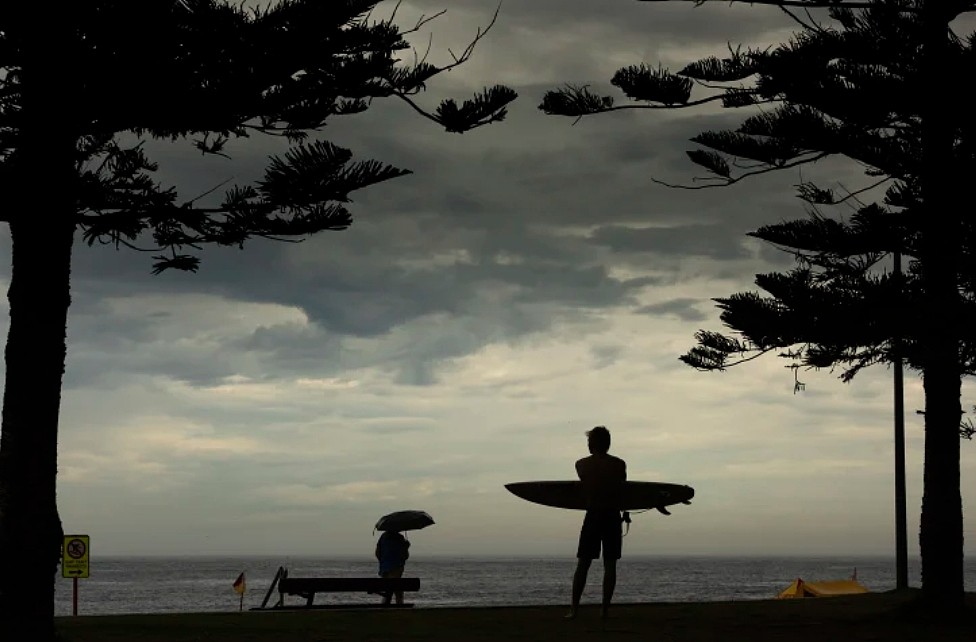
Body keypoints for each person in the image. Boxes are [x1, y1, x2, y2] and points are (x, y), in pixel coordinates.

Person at [567, 425, 627, 620]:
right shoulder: (619, 465)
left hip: (593, 515)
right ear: (608, 444)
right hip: (612, 516)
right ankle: (604, 611)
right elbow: (623, 493)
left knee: (583, 563)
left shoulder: (581, 465)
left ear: (592, 444)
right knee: (610, 565)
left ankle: (574, 610)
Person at [375, 530, 410, 605]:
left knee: (388, 590)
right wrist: (406, 547)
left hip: (384, 570)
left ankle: (385, 606)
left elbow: (377, 553)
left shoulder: (383, 537)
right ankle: (399, 606)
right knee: (398, 591)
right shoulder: (400, 538)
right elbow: (405, 556)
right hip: (396, 569)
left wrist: (383, 562)